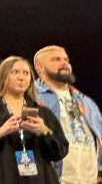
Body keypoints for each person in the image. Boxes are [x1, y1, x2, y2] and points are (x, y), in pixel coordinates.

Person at [0, 56, 68, 183]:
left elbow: (60, 151)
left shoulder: (43, 112)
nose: (21, 77)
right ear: (3, 76)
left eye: (26, 73)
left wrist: (44, 131)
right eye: (15, 72)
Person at [34, 45, 102, 183]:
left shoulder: (86, 101)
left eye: (66, 59)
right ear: (39, 67)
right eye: (56, 59)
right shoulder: (30, 97)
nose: (64, 62)